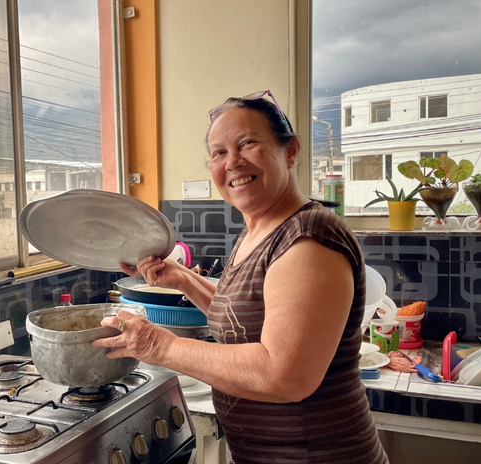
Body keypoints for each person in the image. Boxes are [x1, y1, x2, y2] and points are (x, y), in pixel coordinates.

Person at [91, 91, 389, 464]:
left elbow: (285, 375)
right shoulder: (257, 232)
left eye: (247, 143)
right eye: (218, 153)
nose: (232, 162)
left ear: (290, 151)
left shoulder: (309, 240)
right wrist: (182, 278)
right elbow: (240, 315)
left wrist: (159, 346)